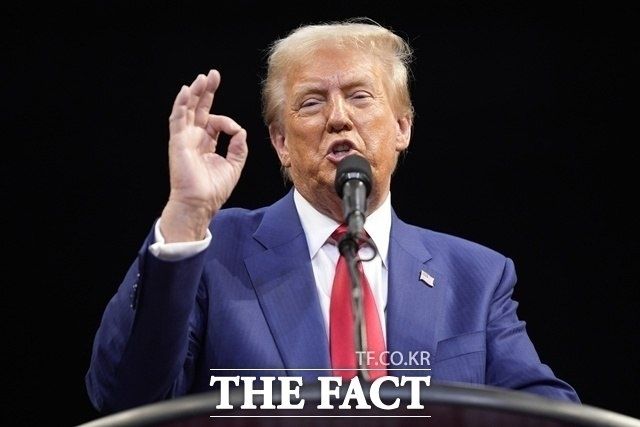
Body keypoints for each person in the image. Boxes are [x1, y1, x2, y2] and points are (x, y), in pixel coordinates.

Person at [85, 17, 580, 414]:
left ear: (402, 127)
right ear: (281, 142)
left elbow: (545, 412)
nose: (339, 118)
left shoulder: (476, 277)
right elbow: (124, 397)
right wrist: (187, 215)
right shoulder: (216, 252)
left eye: (360, 96)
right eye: (311, 102)